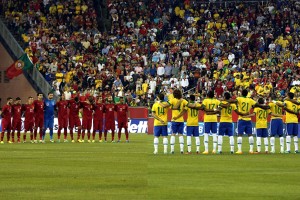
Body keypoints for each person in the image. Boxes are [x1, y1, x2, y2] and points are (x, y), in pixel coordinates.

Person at [231, 89, 269, 154]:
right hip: (248, 120)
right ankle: (251, 150)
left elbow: (234, 101)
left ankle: (239, 150)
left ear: (242, 93)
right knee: (250, 135)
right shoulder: (250, 100)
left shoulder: (239, 98)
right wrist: (264, 106)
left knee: (240, 135)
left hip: (241, 118)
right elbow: (257, 104)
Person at [167, 89, 187, 154]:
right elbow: (185, 109)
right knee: (181, 134)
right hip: (181, 120)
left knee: (173, 134)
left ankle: (172, 150)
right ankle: (182, 150)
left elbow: (168, 106)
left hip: (174, 120)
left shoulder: (172, 100)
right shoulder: (183, 101)